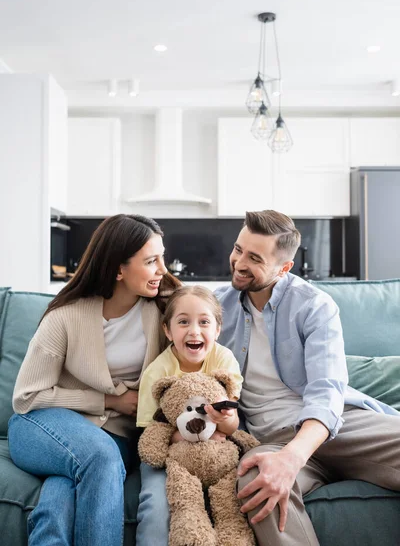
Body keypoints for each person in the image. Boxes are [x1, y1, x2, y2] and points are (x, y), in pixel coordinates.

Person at [214, 209, 400, 546]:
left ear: (283, 268)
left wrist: (293, 457)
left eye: (254, 258)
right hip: (271, 437)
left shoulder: (313, 305)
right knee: (256, 483)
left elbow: (326, 390)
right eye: (238, 249)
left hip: (338, 425)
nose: (239, 263)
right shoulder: (215, 309)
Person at [8, 214, 181, 546]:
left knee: (64, 487)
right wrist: (110, 401)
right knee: (100, 458)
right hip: (40, 426)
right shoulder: (65, 317)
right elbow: (27, 397)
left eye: (162, 257)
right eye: (150, 261)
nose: (162, 268)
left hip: (112, 435)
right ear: (118, 268)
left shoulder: (162, 312)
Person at [136, 284, 243, 438]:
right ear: (168, 331)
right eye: (184, 322)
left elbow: (231, 427)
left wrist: (224, 418)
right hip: (174, 446)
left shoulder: (224, 360)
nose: (194, 331)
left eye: (204, 322)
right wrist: (188, 437)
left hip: (216, 443)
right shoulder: (156, 372)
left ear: (217, 330)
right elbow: (150, 432)